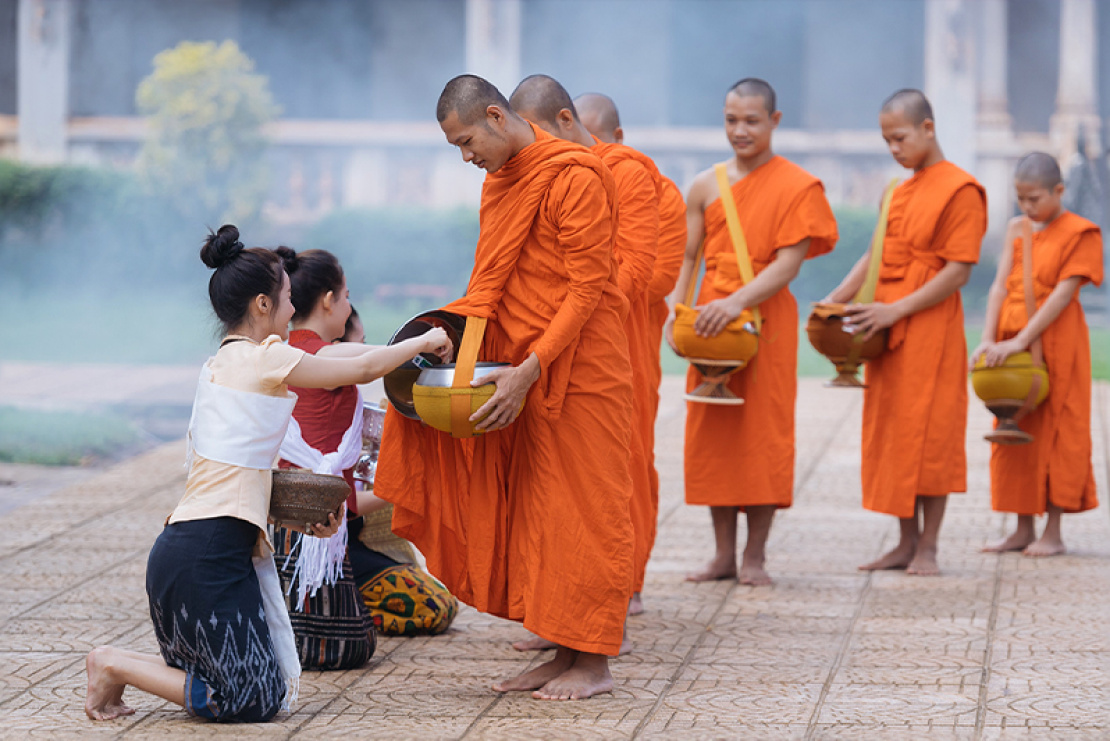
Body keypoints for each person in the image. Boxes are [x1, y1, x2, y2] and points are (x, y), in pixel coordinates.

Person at [84, 225, 449, 722]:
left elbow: (238, 475)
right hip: (206, 553)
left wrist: (301, 517)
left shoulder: (216, 366)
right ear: (261, 305)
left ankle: (119, 666)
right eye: (286, 300)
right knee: (246, 699)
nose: (290, 312)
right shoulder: (264, 357)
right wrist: (427, 338)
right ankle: (111, 663)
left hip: (189, 549)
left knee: (265, 687)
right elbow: (365, 369)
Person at [374, 74, 635, 701]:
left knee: (585, 512)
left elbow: (586, 288)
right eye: (457, 149)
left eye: (467, 142)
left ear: (496, 116)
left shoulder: (573, 175)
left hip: (580, 369)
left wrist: (532, 367)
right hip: (517, 365)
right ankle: (561, 648)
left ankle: (594, 663)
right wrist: (450, 337)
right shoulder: (502, 181)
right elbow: (494, 280)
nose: (468, 158)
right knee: (537, 512)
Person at [665, 78, 837, 586]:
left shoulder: (797, 186)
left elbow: (789, 263)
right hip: (709, 321)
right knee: (713, 436)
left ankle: (756, 556)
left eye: (751, 121)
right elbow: (688, 256)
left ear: (774, 122)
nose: (740, 131)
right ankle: (722, 554)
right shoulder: (703, 186)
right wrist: (677, 312)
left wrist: (736, 302)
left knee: (763, 435)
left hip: (764, 320)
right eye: (731, 120)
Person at [510, 77, 659, 620]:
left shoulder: (628, 174)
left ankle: (619, 587)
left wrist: (569, 287)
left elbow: (640, 272)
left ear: (570, 124)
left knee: (612, 478)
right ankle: (554, 607)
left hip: (609, 345)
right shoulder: (539, 175)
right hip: (548, 346)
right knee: (548, 486)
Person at [824, 89, 986, 576]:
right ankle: (903, 542)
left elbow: (957, 272)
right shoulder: (896, 190)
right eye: (886, 140)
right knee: (893, 431)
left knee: (932, 432)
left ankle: (929, 546)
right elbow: (875, 254)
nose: (893, 149)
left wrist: (897, 311)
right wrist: (837, 297)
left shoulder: (962, 189)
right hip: (883, 324)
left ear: (928, 129)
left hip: (930, 323)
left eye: (899, 137)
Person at [276, 249, 458, 641]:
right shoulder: (312, 354)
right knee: (432, 607)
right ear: (328, 300)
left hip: (313, 513)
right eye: (345, 296)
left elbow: (369, 355)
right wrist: (425, 340)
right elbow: (369, 361)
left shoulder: (293, 351)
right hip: (309, 520)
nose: (347, 305)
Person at [577, 91, 688, 614]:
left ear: (618, 138)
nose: (591, 150)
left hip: (628, 343)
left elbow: (660, 276)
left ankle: (629, 576)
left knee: (629, 462)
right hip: (572, 344)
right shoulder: (566, 181)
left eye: (599, 139)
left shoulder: (652, 189)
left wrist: (591, 291)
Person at [971, 152, 1102, 557]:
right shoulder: (1016, 229)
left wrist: (1021, 339)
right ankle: (1021, 527)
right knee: (1012, 427)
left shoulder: (1082, 233)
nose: (1027, 208)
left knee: (1061, 429)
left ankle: (1054, 531)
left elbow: (1062, 295)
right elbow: (998, 287)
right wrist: (989, 338)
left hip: (1058, 343)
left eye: (1035, 199)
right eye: (1020, 199)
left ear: (1058, 191)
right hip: (1010, 341)